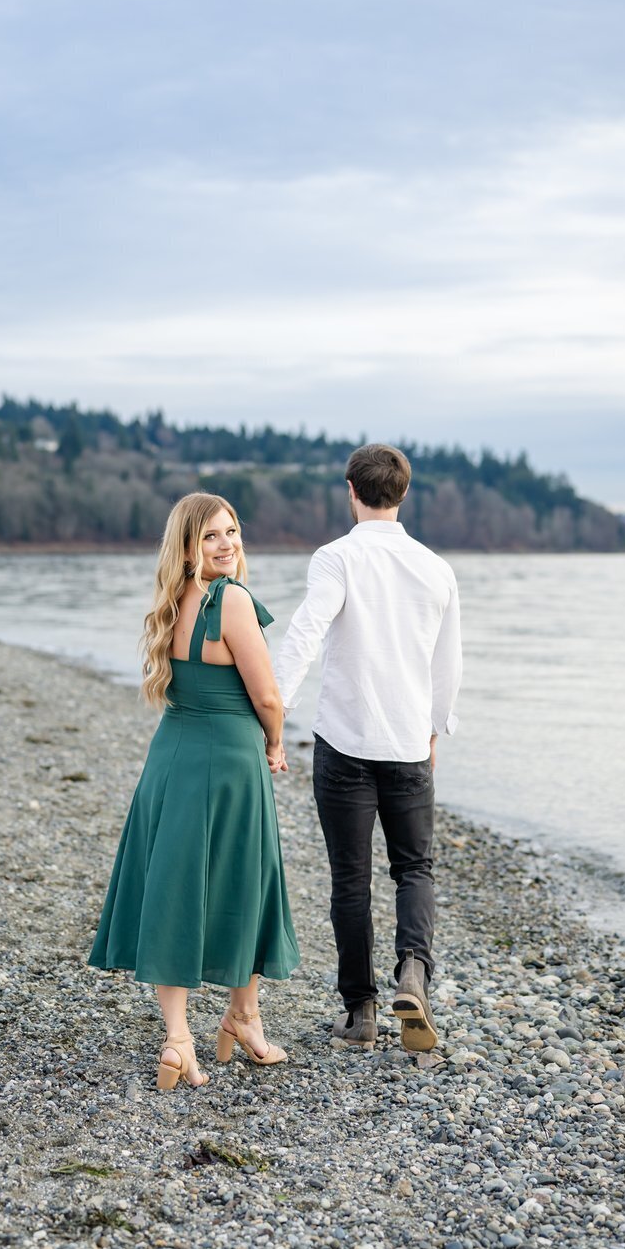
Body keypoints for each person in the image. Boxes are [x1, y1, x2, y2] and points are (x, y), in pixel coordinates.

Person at [88, 493, 300, 1089]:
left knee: (174, 887)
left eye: (232, 531)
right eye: (211, 536)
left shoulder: (171, 602)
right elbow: (266, 698)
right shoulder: (231, 601)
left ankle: (186, 1036)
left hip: (172, 755)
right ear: (187, 546)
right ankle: (240, 1014)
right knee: (245, 881)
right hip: (230, 761)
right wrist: (277, 743)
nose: (227, 543)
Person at [274, 444, 462, 1052]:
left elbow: (306, 632)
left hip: (345, 743)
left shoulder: (337, 558)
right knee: (414, 867)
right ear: (403, 493)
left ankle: (360, 1014)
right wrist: (435, 727)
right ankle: (414, 972)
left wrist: (272, 710)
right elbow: (448, 663)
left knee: (350, 879)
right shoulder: (436, 568)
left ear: (350, 490)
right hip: (408, 742)